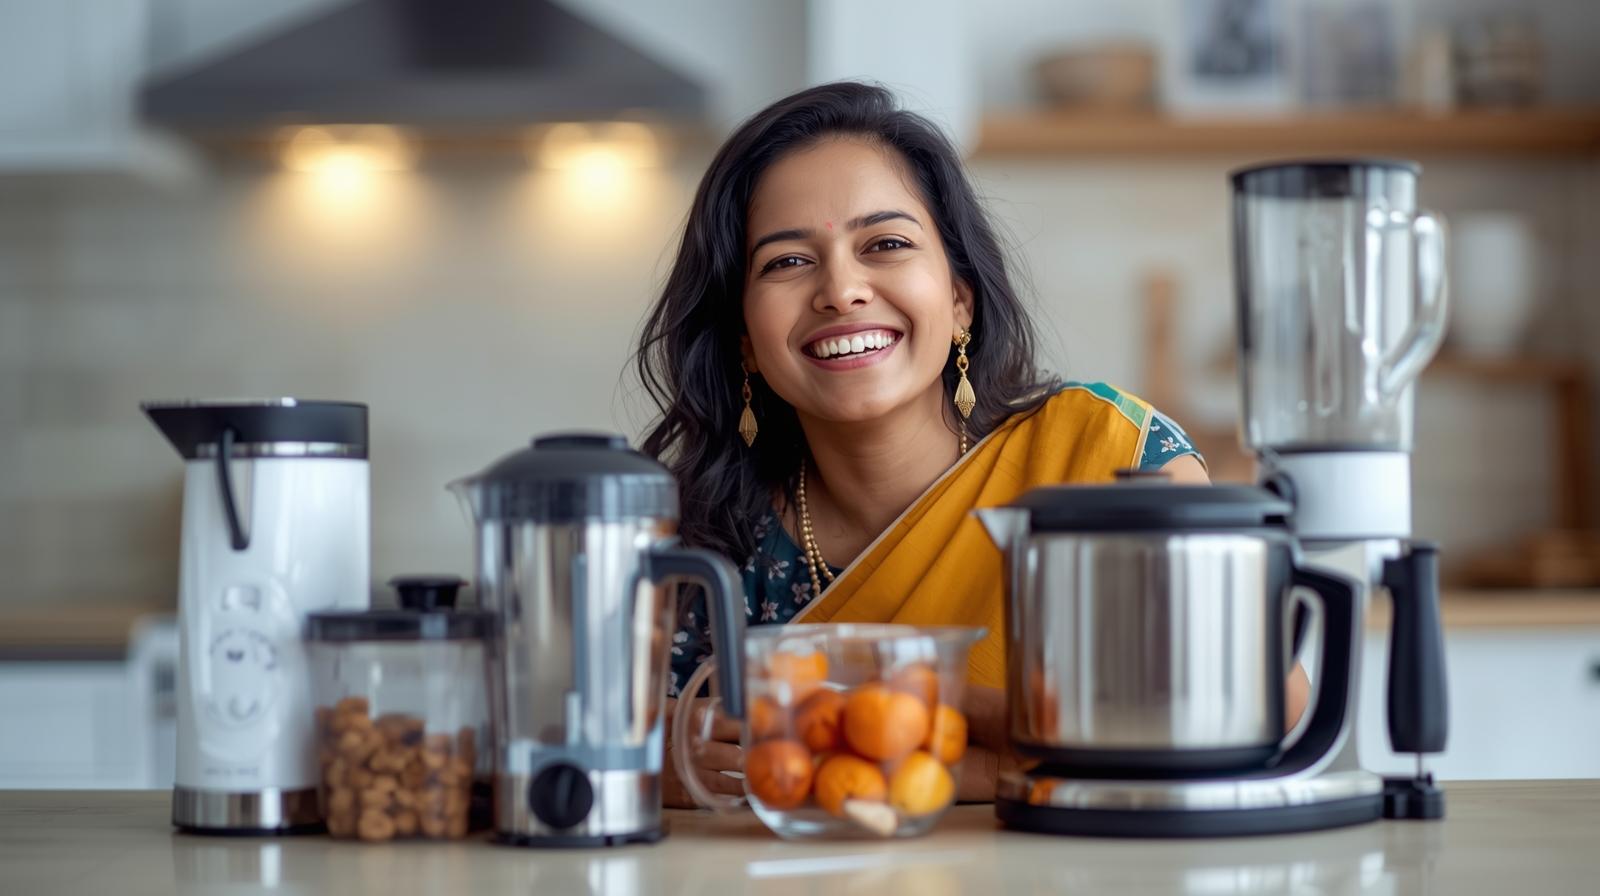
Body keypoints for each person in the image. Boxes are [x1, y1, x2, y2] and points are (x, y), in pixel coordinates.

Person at [633, 81, 1303, 808]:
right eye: (788, 262)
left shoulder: (1101, 456)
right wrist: (656, 764)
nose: (842, 290)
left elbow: (1263, 713)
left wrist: (956, 770)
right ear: (746, 343)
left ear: (959, 299)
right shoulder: (703, 535)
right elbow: (593, 752)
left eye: (885, 244)